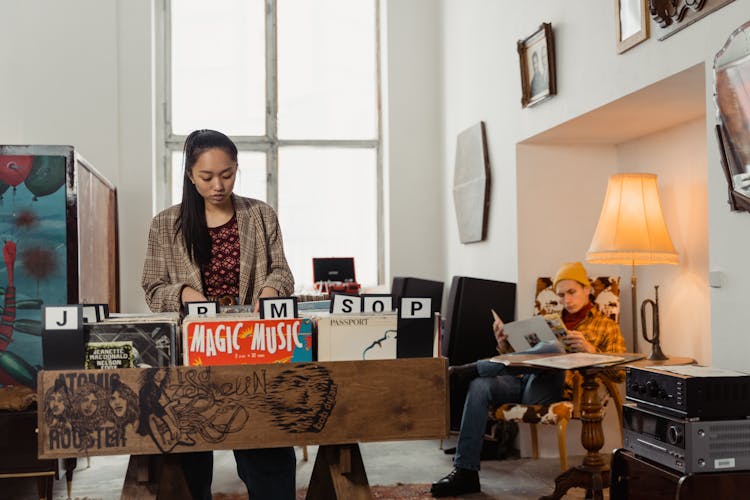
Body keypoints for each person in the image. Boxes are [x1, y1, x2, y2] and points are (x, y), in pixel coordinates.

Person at [141, 129, 296, 500]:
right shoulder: (166, 224)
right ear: (190, 175)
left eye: (226, 174)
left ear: (237, 169)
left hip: (254, 351)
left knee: (267, 448)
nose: (218, 185)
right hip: (193, 358)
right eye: (207, 177)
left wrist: (271, 289)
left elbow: (282, 272)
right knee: (190, 453)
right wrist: (184, 293)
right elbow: (152, 289)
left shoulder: (259, 214)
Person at [430, 262, 626, 497]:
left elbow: (619, 373)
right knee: (480, 385)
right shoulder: (548, 319)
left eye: (572, 292)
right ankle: (465, 473)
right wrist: (503, 342)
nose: (566, 300)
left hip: (556, 389)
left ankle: (473, 368)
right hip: (526, 379)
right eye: (561, 295)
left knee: (553, 346)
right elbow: (521, 358)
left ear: (587, 290)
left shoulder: (605, 325)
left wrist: (590, 349)